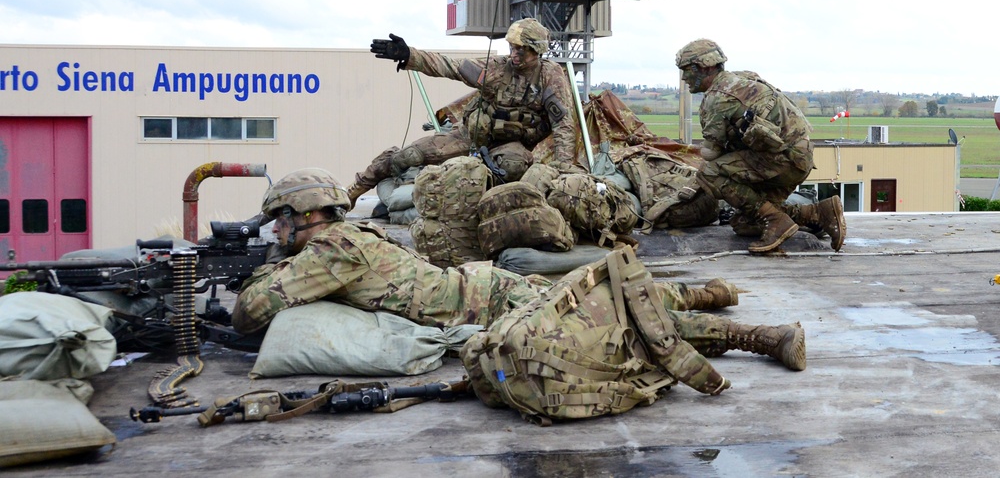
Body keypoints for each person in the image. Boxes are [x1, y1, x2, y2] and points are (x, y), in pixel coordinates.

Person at [231, 169, 805, 374]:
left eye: (280, 223)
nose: (276, 234)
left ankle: (756, 336)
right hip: (484, 289)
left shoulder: (330, 251)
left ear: (305, 216)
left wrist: (263, 274)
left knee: (617, 330)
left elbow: (249, 314)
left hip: (486, 304)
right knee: (607, 300)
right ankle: (701, 294)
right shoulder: (350, 236)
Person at [344, 18, 584, 208]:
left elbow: (562, 124)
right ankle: (355, 191)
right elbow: (451, 66)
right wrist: (410, 55)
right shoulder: (496, 69)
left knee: (511, 166)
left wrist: (563, 168)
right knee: (408, 157)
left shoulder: (550, 77)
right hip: (469, 137)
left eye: (522, 49)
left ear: (536, 50)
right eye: (512, 47)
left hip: (511, 146)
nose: (515, 53)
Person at [675, 39, 846, 253]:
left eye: (687, 70)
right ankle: (818, 213)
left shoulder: (716, 99)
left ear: (705, 67)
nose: (684, 77)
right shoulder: (745, 77)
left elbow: (712, 153)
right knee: (743, 224)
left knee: (708, 173)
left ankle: (775, 220)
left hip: (781, 162)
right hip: (798, 158)